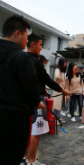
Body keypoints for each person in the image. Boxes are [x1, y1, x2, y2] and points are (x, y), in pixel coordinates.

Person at [0, 15, 45, 165]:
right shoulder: (21, 57)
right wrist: (38, 103)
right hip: (14, 120)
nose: (26, 41)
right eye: (26, 37)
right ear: (17, 34)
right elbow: (31, 91)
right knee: (11, 157)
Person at [24, 34, 71, 165]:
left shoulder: (21, 58)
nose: (41, 47)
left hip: (24, 100)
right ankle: (31, 159)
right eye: (40, 44)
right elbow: (47, 80)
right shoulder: (35, 60)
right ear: (32, 44)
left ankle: (26, 156)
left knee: (27, 129)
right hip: (36, 100)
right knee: (36, 130)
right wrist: (63, 90)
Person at [53, 58, 68, 124]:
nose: (65, 64)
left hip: (61, 90)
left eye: (66, 62)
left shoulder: (63, 71)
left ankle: (58, 119)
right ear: (61, 63)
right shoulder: (58, 69)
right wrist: (61, 83)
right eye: (64, 62)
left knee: (58, 105)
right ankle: (55, 119)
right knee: (56, 105)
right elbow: (57, 77)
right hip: (58, 90)